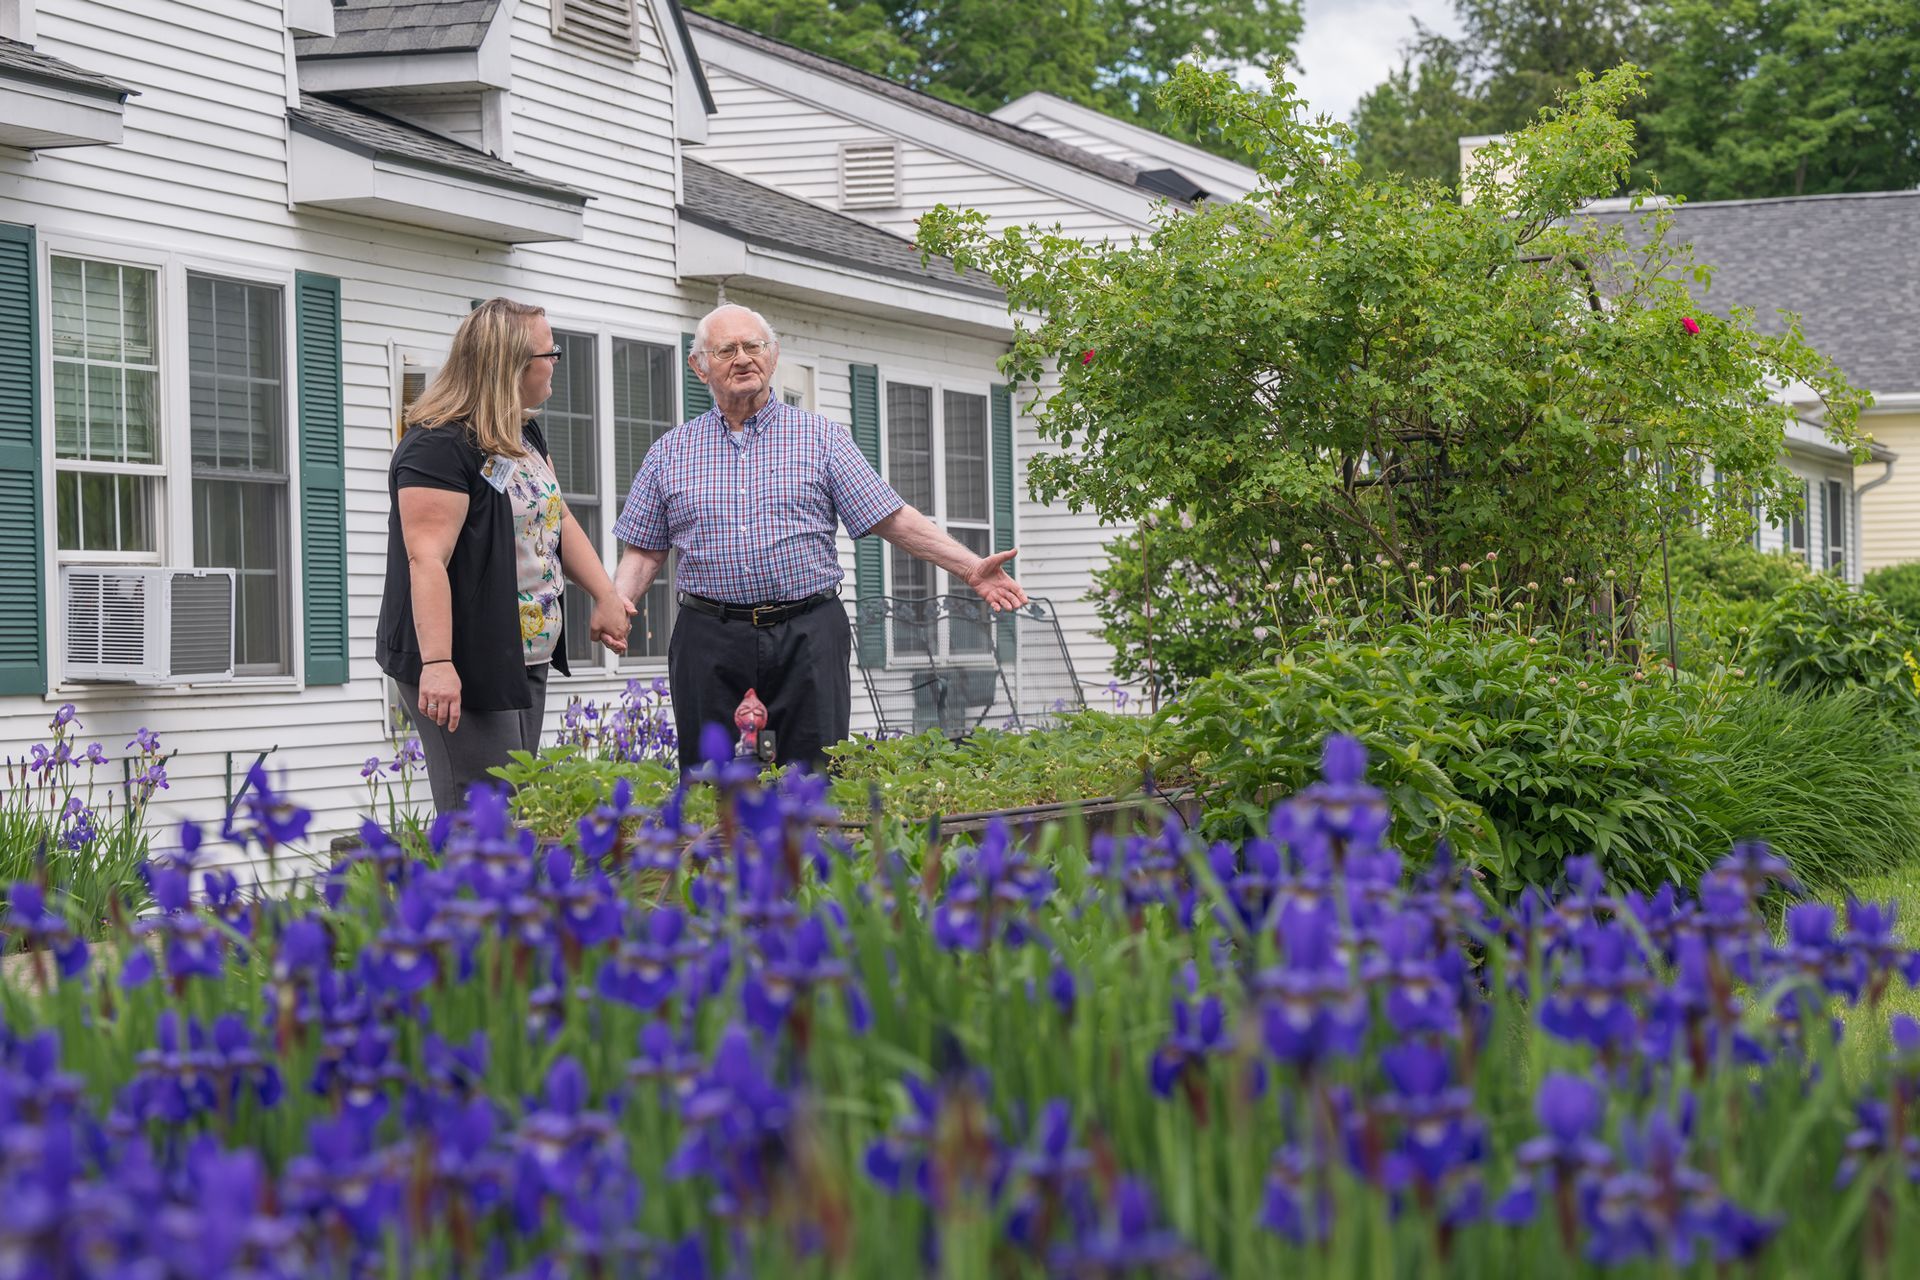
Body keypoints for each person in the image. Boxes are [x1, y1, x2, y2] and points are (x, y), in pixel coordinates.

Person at [611, 303, 1027, 773]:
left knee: (814, 774)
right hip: (709, 634)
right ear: (699, 365)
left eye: (755, 346)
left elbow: (889, 516)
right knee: (710, 779)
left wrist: (970, 567)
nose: (744, 358)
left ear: (774, 355)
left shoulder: (821, 437)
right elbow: (645, 548)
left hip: (807, 631)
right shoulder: (670, 451)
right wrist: (618, 604)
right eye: (727, 349)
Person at [376, 298, 633, 814]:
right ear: (513, 363)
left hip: (519, 656)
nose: (556, 361)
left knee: (512, 810)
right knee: (480, 814)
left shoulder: (522, 433)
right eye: (550, 351)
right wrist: (440, 665)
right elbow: (425, 560)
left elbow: (555, 516)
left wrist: (605, 592)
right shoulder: (439, 446)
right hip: (463, 660)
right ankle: (457, 898)